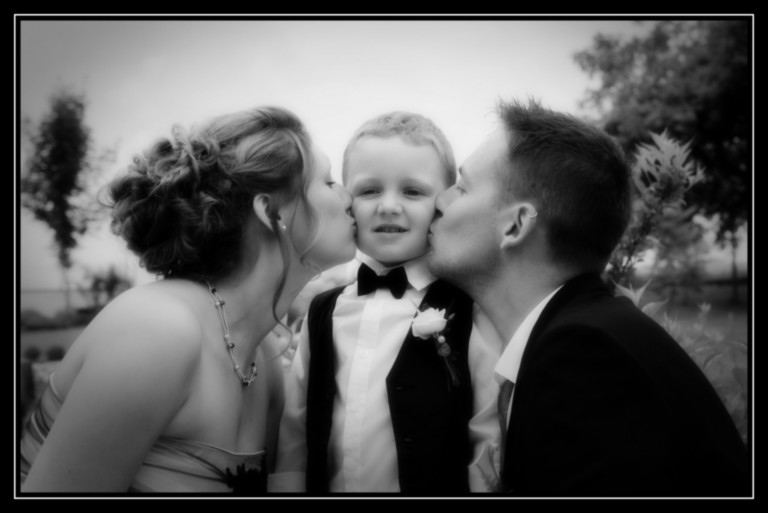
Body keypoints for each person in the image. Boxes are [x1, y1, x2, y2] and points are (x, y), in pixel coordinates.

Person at [19, 106, 357, 494]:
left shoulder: (264, 359)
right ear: (270, 212)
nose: (349, 196)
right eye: (329, 182)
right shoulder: (155, 331)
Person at [426, 98, 750, 497]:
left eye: (462, 188)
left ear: (516, 225)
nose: (439, 201)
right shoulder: (592, 331)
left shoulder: (582, 357)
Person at [269, 111, 502, 494]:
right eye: (369, 191)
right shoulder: (321, 312)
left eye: (412, 192)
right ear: (347, 202)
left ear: (442, 204)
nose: (389, 206)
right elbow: (295, 430)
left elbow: (486, 432)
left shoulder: (472, 309)